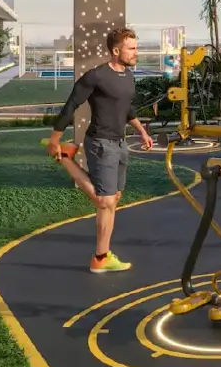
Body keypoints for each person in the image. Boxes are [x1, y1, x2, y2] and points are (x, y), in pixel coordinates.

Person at [48, 27, 153, 273]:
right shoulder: (96, 76)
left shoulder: (128, 76)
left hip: (119, 142)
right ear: (116, 51)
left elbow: (127, 109)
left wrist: (141, 131)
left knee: (113, 198)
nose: (136, 52)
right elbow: (72, 104)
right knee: (104, 200)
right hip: (100, 142)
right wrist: (55, 138)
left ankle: (101, 257)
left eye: (136, 47)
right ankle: (64, 155)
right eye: (132, 48)